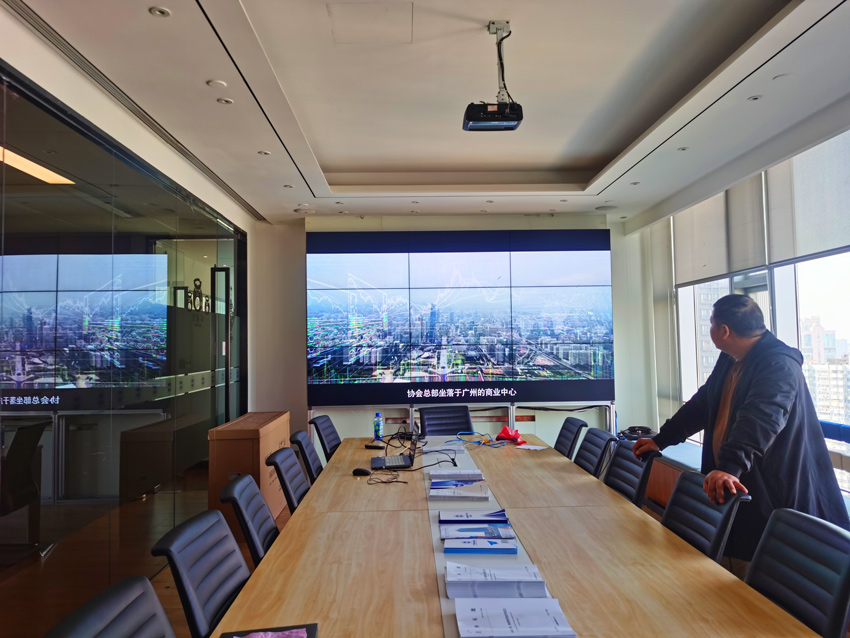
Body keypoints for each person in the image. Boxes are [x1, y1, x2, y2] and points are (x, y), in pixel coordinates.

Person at [634, 294, 850, 561]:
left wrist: (729, 466)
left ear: (724, 331)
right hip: (737, 480)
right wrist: (662, 439)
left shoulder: (778, 364)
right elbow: (704, 403)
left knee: (762, 566)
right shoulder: (730, 358)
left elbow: (760, 419)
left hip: (770, 487)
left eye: (710, 324)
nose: (710, 329)